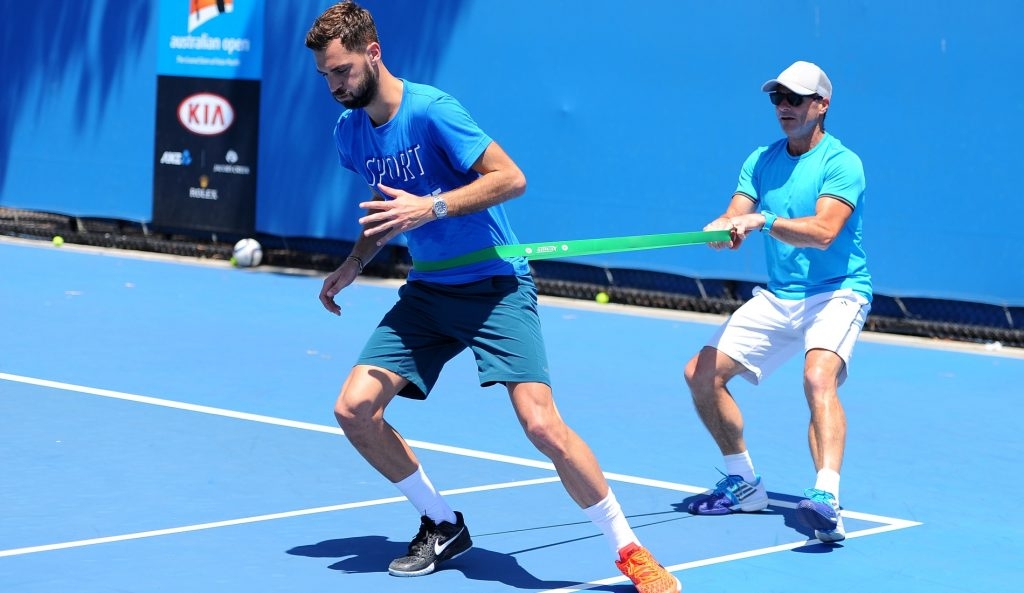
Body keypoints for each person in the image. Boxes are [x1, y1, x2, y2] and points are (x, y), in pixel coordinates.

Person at [304, 3, 680, 591]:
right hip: (429, 292)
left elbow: (512, 178)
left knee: (540, 425)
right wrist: (355, 262)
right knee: (354, 409)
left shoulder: (432, 112)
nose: (334, 86)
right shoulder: (350, 133)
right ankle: (440, 521)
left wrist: (433, 205)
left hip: (496, 288)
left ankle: (630, 550)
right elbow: (385, 211)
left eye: (342, 71)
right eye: (326, 75)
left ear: (373, 53)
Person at [683, 60, 871, 544]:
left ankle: (826, 497)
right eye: (777, 99)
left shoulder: (841, 162)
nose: (784, 107)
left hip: (837, 291)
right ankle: (744, 483)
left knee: (817, 376)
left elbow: (825, 232)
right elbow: (735, 216)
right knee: (700, 374)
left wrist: (762, 222)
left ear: (821, 105)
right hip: (780, 296)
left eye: (795, 99)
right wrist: (722, 231)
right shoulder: (761, 159)